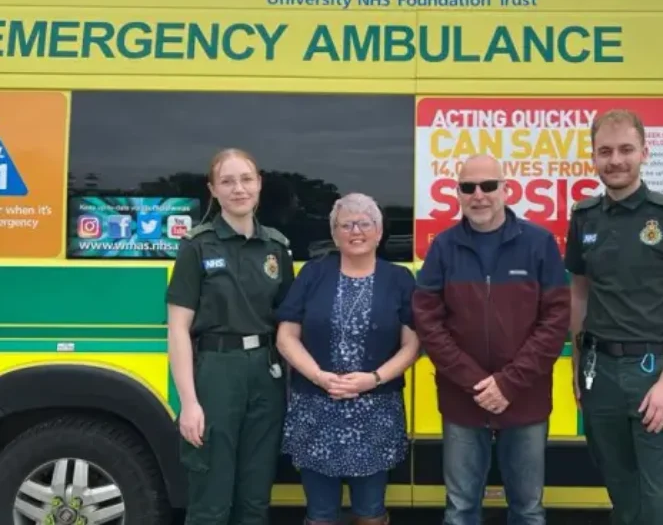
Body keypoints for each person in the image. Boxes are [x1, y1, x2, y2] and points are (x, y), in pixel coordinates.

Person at [565, 109, 663, 525]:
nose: (615, 160)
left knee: (662, 503)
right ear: (593, 157)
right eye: (605, 151)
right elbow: (579, 293)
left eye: (626, 149)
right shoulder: (584, 217)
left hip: (655, 372)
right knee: (623, 498)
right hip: (601, 374)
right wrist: (578, 366)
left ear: (644, 152)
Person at [412, 154, 570, 525]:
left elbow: (556, 320)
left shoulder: (539, 243)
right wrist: (475, 382)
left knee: (528, 510)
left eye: (488, 186)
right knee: (461, 509)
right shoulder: (444, 247)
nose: (478, 195)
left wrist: (508, 383)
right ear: (458, 193)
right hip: (462, 400)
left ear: (506, 189)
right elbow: (428, 321)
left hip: (524, 398)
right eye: (468, 187)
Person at [166, 148, 295, 525]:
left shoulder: (277, 247)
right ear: (213, 190)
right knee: (211, 497)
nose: (238, 189)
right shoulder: (197, 245)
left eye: (246, 180)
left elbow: (287, 324)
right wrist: (189, 403)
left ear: (259, 185)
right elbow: (177, 328)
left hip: (266, 375)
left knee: (255, 497)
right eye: (227, 181)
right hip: (217, 372)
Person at [275, 192, 419, 525]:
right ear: (335, 233)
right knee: (321, 514)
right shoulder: (313, 273)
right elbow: (286, 337)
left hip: (376, 412)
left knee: (370, 513)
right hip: (316, 409)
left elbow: (413, 344)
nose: (356, 231)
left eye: (365, 223)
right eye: (346, 224)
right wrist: (319, 376)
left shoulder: (399, 279)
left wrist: (375, 378)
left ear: (379, 232)